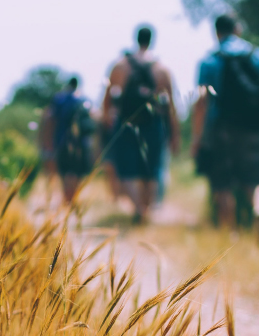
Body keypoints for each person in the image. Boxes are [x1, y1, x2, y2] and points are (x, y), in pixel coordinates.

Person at [191, 13, 259, 235]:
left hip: (221, 128)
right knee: (255, 176)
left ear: (216, 32)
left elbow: (202, 102)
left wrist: (197, 138)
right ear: (238, 29)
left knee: (223, 182)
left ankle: (229, 234)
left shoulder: (210, 60)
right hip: (254, 126)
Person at [102, 26, 180, 223]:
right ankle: (145, 209)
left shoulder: (120, 66)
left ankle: (138, 208)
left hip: (126, 123)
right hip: (153, 124)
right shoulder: (162, 68)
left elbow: (107, 100)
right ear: (152, 40)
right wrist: (174, 134)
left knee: (126, 169)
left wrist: (106, 125)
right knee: (150, 169)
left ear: (135, 39)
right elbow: (171, 105)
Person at [41, 76, 94, 204]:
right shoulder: (84, 99)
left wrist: (47, 142)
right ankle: (72, 197)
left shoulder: (59, 99)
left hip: (62, 141)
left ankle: (67, 198)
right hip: (82, 143)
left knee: (65, 172)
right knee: (77, 171)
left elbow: (50, 120)